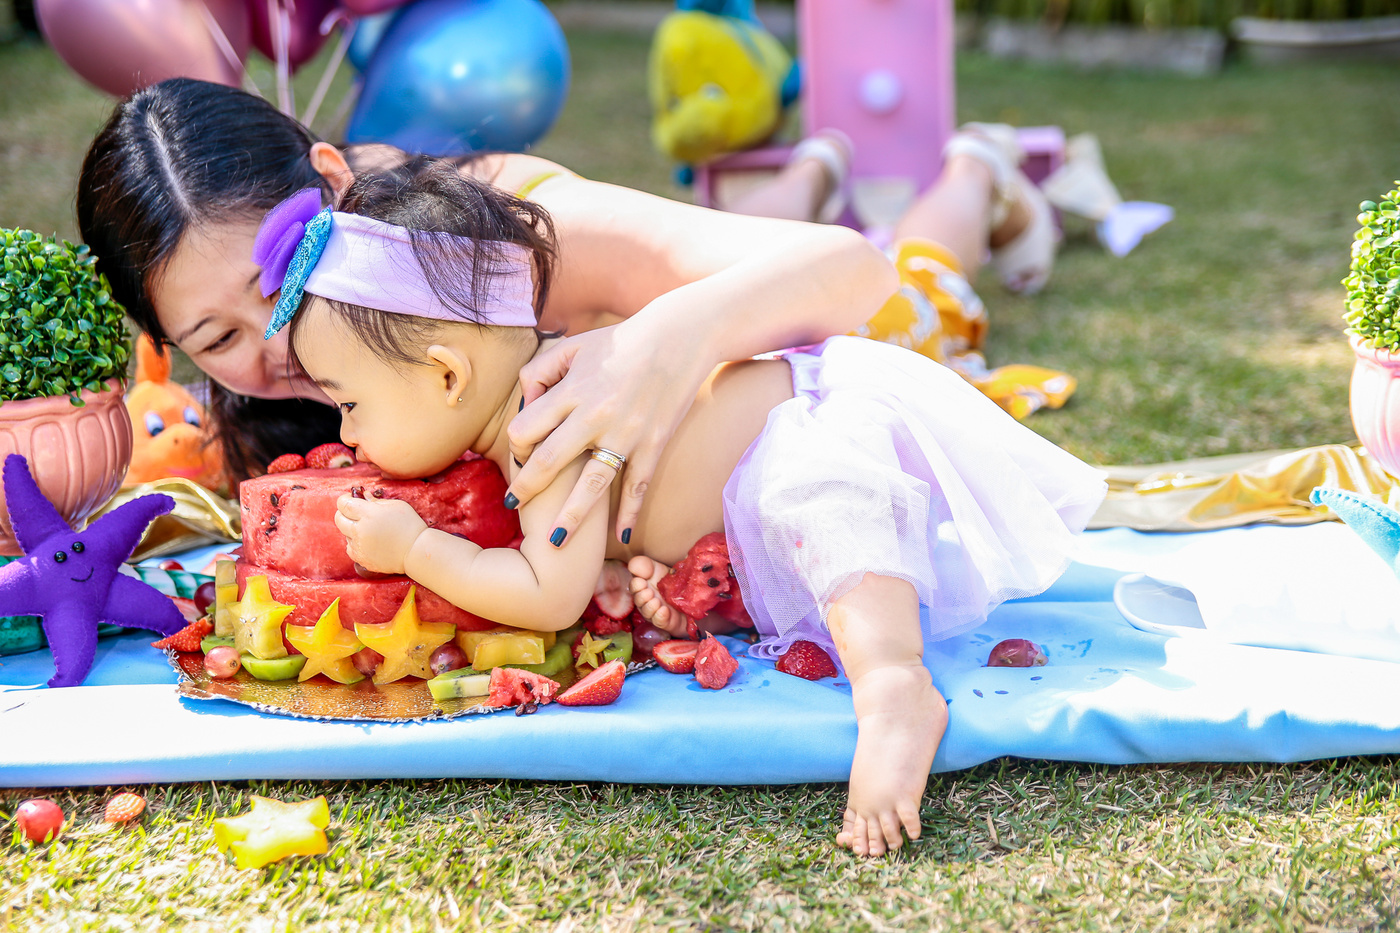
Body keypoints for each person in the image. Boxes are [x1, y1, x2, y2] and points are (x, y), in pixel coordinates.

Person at [260, 162, 1107, 857]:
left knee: (821, 502)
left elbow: (546, 592)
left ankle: (895, 688)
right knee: (815, 525)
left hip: (817, 428)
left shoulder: (540, 426)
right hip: (788, 441)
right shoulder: (529, 404)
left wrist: (415, 550)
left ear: (448, 375)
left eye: (349, 404)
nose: (346, 433)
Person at [77, 78, 1064, 538]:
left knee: (924, 292)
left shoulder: (504, 246)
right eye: (217, 337)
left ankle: (976, 172)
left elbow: (849, 272)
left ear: (333, 183)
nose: (279, 337)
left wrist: (664, 340)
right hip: (659, 261)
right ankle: (813, 167)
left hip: (822, 320)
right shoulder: (259, 385)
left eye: (277, 278)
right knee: (710, 237)